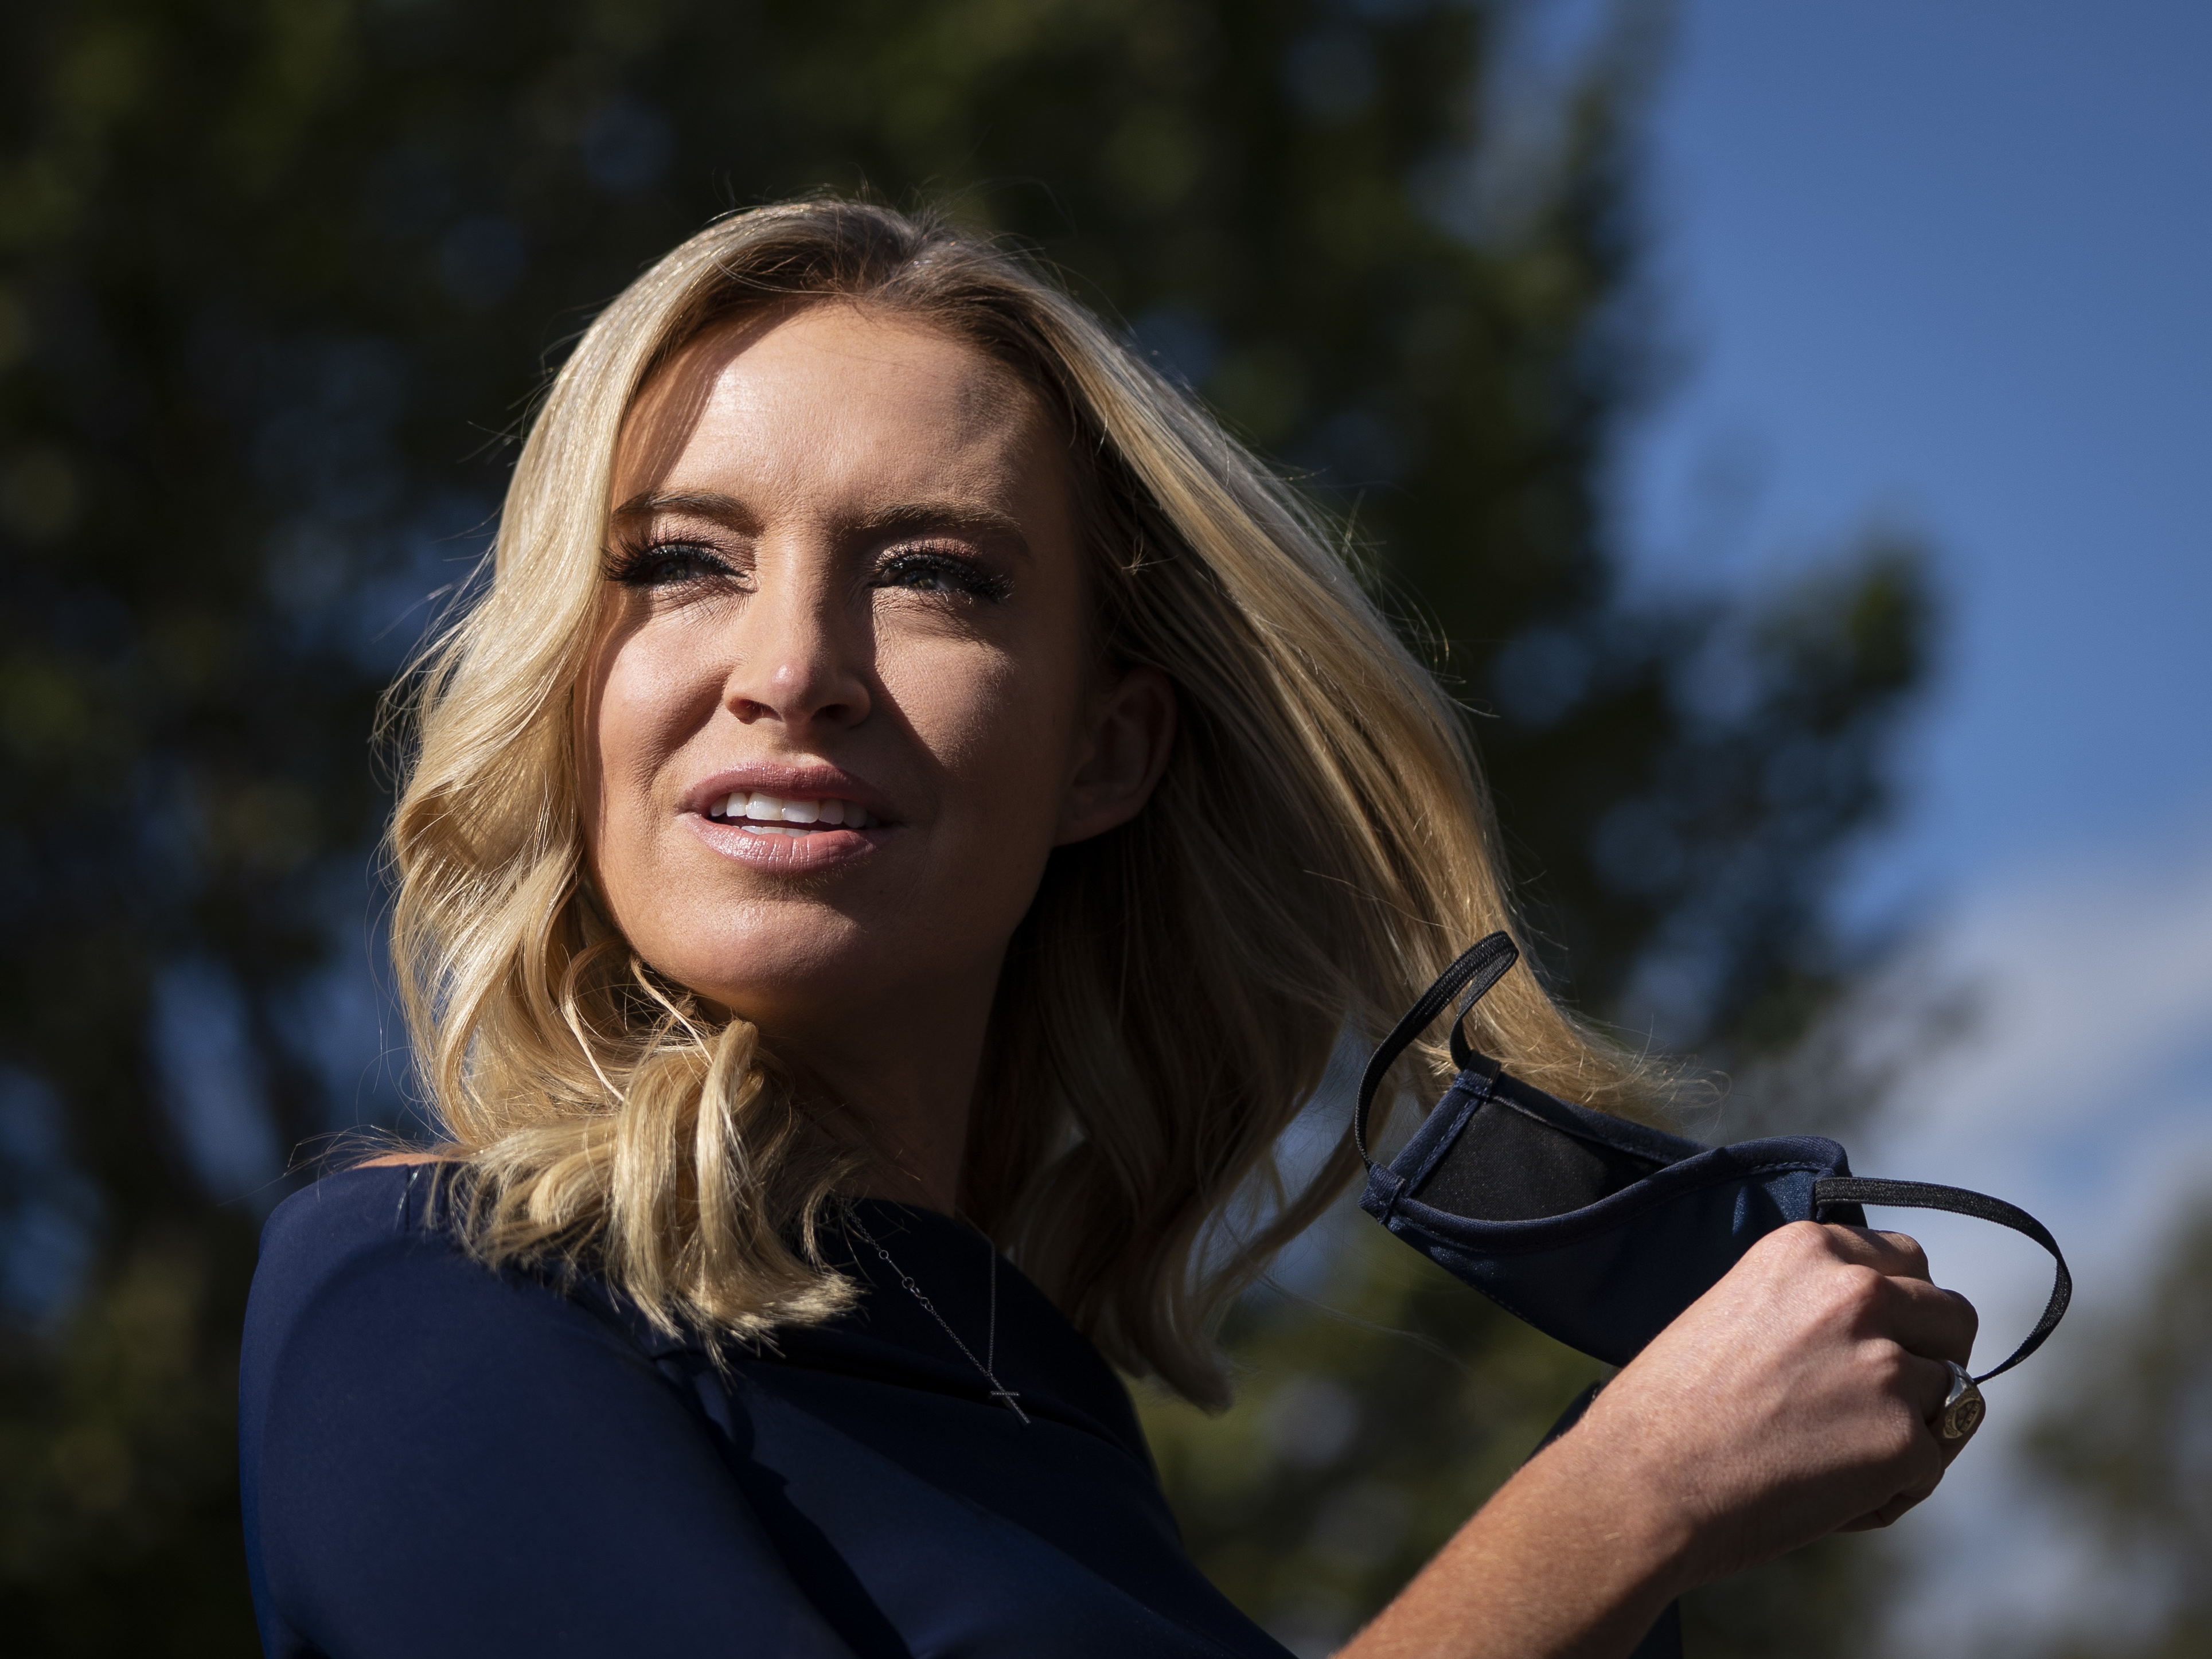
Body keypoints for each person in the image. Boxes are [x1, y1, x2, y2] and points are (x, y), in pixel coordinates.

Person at [237, 198, 1977, 1658]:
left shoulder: (1030, 1404)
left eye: (934, 574)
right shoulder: (429, 1299)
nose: (787, 670)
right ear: (571, 680)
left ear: (1105, 747)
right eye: (681, 561)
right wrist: (1622, 1506)